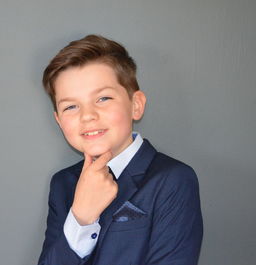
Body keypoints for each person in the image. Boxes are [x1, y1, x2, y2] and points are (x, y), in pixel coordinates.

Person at [37, 34, 203, 265]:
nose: (87, 116)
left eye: (103, 98)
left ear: (136, 105)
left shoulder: (173, 179)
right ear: (58, 120)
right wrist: (81, 218)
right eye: (71, 106)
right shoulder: (62, 183)